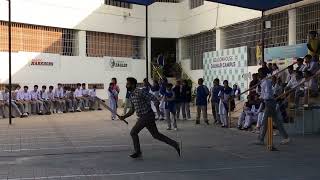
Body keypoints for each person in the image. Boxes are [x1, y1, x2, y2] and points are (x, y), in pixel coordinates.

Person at [119, 77, 180, 158]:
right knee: (156, 135)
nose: (126, 85)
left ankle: (138, 152)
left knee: (133, 132)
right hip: (145, 116)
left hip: (146, 115)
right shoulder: (131, 95)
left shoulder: (140, 91)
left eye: (128, 84)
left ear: (133, 85)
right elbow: (132, 110)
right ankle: (175, 144)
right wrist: (124, 116)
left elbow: (151, 96)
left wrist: (156, 102)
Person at [256, 68, 290, 145]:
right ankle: (286, 137)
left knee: (265, 121)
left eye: (260, 72)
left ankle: (261, 139)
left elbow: (268, 94)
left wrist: (262, 98)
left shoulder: (266, 82)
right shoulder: (264, 81)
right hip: (269, 102)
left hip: (269, 102)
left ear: (263, 74)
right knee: (277, 121)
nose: (259, 74)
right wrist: (261, 97)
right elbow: (264, 93)